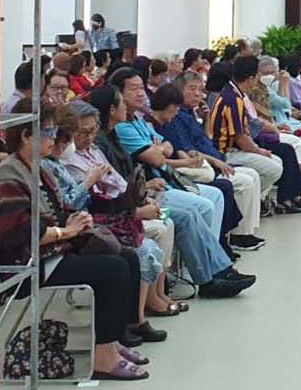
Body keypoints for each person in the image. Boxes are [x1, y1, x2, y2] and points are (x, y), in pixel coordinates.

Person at [0, 111, 149, 381]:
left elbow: (59, 210)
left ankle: (110, 343)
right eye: (48, 132)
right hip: (29, 265)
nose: (53, 138)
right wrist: (66, 230)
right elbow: (20, 233)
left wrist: (76, 220)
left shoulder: (39, 169)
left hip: (52, 253)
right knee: (113, 271)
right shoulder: (10, 174)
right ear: (26, 136)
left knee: (127, 258)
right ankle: (103, 356)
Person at [82, 85, 255, 298]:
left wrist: (151, 173)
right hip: (130, 207)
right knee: (185, 215)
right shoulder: (106, 140)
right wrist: (145, 190)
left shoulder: (114, 135)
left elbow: (165, 148)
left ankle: (217, 270)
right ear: (111, 109)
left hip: (141, 197)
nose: (135, 97)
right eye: (130, 92)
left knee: (194, 210)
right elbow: (144, 166)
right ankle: (206, 279)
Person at [45, 103, 183, 322]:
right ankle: (141, 312)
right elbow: (81, 203)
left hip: (125, 208)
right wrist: (133, 209)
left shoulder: (95, 150)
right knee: (151, 241)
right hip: (109, 217)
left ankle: (158, 294)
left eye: (93, 131)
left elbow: (120, 184)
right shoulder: (66, 162)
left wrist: (141, 195)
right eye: (83, 133)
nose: (89, 137)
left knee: (167, 222)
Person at [152, 75, 266, 251]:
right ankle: (232, 238)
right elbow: (186, 151)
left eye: (200, 90)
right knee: (241, 183)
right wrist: (215, 161)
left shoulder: (191, 114)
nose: (198, 94)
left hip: (211, 160)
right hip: (198, 167)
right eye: (192, 89)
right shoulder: (176, 118)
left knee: (250, 176)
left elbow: (205, 139)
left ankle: (242, 233)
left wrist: (206, 118)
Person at [206, 62, 295, 211]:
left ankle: (255, 202)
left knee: (277, 161)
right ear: (250, 78)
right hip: (225, 152)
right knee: (274, 168)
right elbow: (240, 138)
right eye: (257, 76)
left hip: (234, 148)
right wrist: (259, 151)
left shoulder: (234, 94)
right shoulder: (233, 99)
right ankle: (252, 202)